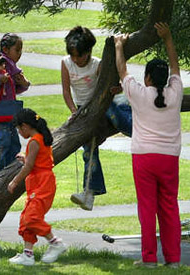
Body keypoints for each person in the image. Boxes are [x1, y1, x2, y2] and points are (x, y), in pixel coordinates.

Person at [114, 22, 182, 268]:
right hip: (169, 158)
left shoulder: (139, 94)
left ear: (148, 77)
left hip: (143, 157)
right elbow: (175, 66)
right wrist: (168, 38)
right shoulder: (175, 94)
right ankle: (173, 260)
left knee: (147, 208)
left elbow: (122, 71)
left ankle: (149, 259)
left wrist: (119, 46)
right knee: (169, 208)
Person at [61, 26, 132, 211]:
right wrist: (73, 111)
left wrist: (117, 88)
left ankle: (144, 130)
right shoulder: (66, 63)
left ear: (89, 51)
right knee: (88, 149)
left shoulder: (97, 65)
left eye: (79, 56)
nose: (76, 60)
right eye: (73, 56)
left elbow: (114, 86)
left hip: (105, 103)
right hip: (83, 109)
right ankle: (89, 193)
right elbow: (66, 91)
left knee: (120, 121)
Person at [8, 108, 67, 266]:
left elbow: (28, 168)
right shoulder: (40, 139)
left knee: (32, 218)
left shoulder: (34, 141)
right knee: (25, 219)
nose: (19, 132)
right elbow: (38, 160)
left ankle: (55, 243)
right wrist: (26, 158)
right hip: (38, 182)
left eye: (19, 129)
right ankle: (28, 255)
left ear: (25, 126)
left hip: (42, 184)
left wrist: (14, 181)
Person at [0, 33, 30, 176]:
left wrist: (24, 84)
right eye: (17, 50)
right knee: (2, 140)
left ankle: (11, 170)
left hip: (9, 108)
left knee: (14, 142)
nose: (20, 54)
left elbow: (14, 88)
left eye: (21, 50)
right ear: (6, 49)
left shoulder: (12, 66)